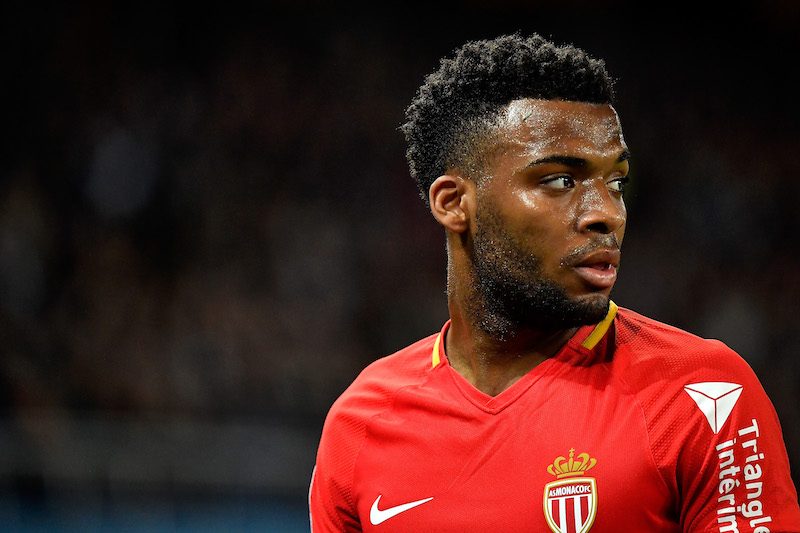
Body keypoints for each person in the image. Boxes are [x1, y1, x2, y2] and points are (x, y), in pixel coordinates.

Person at [309, 33, 800, 532]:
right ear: (453, 203)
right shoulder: (361, 425)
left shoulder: (704, 395)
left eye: (616, 183)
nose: (607, 213)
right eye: (561, 181)